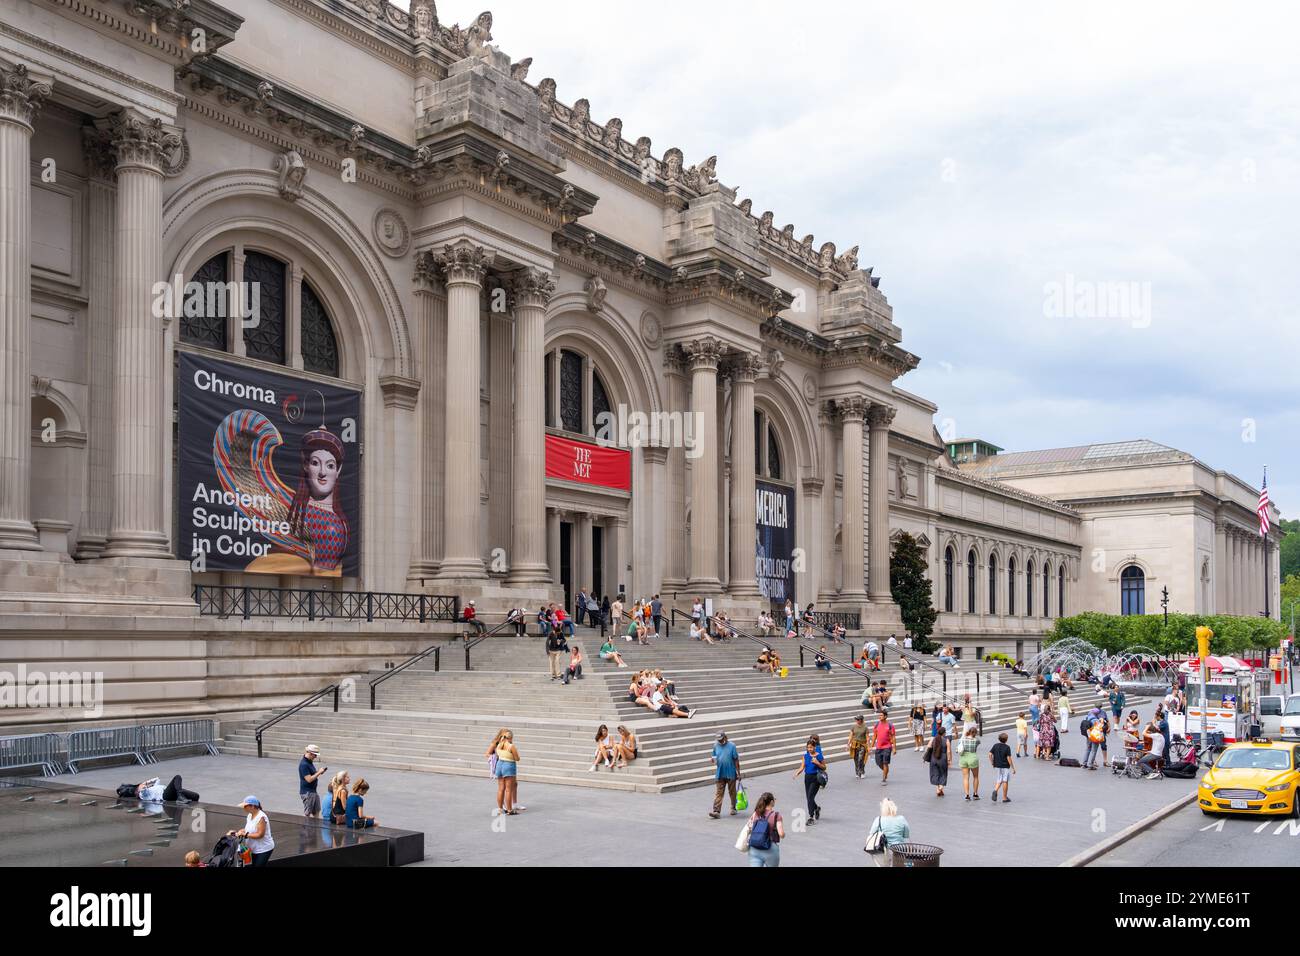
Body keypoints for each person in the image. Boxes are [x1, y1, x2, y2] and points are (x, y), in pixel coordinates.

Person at [744, 792, 785, 867]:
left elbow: (749, 828)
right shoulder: (776, 815)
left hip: (754, 848)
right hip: (770, 849)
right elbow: (781, 834)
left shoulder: (756, 813)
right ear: (772, 802)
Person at [232, 796, 275, 866]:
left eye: (245, 806)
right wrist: (242, 831)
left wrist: (245, 834)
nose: (244, 808)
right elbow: (250, 829)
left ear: (252, 806)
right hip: (254, 849)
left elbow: (260, 834)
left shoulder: (261, 817)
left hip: (264, 849)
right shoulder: (250, 815)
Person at [709, 731, 741, 818]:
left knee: (732, 792)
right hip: (720, 773)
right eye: (718, 740)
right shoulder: (715, 746)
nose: (719, 741)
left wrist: (738, 773)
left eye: (721, 739)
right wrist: (712, 760)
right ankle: (716, 811)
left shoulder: (732, 746)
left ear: (725, 737)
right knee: (719, 793)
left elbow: (736, 760)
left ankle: (733, 808)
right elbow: (714, 756)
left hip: (731, 773)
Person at [794, 739, 826, 823]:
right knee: (808, 798)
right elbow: (802, 766)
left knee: (810, 797)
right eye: (808, 747)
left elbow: (824, 767)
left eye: (811, 747)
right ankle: (816, 808)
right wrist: (797, 772)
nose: (809, 749)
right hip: (807, 778)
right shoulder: (805, 756)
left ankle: (811, 816)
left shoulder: (819, 756)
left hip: (816, 778)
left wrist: (817, 763)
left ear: (815, 747)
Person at [492, 730, 521, 814]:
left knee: (501, 789)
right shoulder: (511, 746)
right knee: (508, 789)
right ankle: (509, 810)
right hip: (508, 765)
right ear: (511, 737)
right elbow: (517, 758)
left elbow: (497, 755)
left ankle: (500, 809)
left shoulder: (499, 745)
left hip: (499, 765)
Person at [299, 744, 326, 818]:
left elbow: (311, 774)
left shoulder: (309, 762)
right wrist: (319, 772)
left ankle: (315, 828)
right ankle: (305, 829)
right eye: (315, 755)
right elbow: (309, 779)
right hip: (308, 792)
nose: (316, 757)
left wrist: (318, 772)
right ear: (310, 754)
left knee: (316, 810)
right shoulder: (304, 764)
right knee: (307, 813)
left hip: (313, 791)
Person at [989, 731, 1015, 803]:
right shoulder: (1007, 747)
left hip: (997, 765)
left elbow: (990, 754)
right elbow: (1008, 758)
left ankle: (995, 790)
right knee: (1005, 781)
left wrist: (992, 762)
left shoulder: (995, 745)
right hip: (1005, 766)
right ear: (1006, 740)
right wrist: (1013, 768)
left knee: (999, 779)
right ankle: (1004, 797)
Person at [872, 710, 897, 784]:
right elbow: (874, 736)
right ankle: (886, 771)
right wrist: (871, 746)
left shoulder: (890, 725)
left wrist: (894, 748)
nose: (880, 717)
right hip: (878, 747)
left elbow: (893, 737)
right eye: (879, 715)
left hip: (887, 747)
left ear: (886, 716)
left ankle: (884, 778)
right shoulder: (876, 725)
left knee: (885, 763)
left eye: (881, 715)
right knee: (879, 763)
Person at [957, 726, 981, 800]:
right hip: (973, 758)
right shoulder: (976, 740)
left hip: (963, 758)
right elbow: (978, 744)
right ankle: (975, 794)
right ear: (975, 733)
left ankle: (967, 795)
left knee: (966, 778)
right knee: (975, 777)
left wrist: (965, 735)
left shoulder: (963, 739)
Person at [927, 727, 951, 797]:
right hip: (943, 758)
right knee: (943, 773)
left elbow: (928, 746)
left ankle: (938, 789)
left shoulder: (933, 739)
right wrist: (949, 760)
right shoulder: (946, 740)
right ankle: (940, 787)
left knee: (935, 773)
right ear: (944, 733)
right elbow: (948, 751)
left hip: (934, 758)